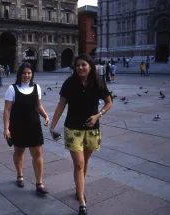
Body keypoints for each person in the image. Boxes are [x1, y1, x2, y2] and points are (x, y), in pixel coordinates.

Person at [49, 54, 112, 215]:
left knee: (84, 162)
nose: (81, 68)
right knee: (79, 164)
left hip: (92, 129)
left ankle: (79, 188)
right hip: (73, 128)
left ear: (90, 66)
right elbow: (61, 104)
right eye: (78, 65)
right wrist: (53, 125)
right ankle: (82, 201)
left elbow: (109, 102)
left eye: (84, 65)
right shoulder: (69, 83)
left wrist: (98, 115)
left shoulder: (97, 82)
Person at [3, 62, 50, 195]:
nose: (27, 75)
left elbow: (38, 105)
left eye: (29, 73)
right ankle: (20, 175)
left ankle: (39, 183)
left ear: (32, 74)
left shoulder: (36, 87)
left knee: (38, 155)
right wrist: (6, 128)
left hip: (34, 126)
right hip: (18, 126)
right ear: (20, 74)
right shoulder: (12, 89)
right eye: (24, 73)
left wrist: (45, 115)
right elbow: (7, 110)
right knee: (19, 152)